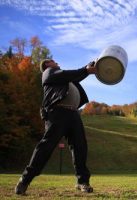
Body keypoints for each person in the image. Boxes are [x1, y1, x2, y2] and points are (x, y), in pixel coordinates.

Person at [15, 59, 97, 195]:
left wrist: (89, 66)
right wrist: (86, 70)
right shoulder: (48, 73)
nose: (57, 62)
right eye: (53, 61)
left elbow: (75, 75)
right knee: (46, 147)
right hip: (57, 113)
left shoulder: (63, 77)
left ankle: (82, 182)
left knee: (80, 147)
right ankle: (24, 180)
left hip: (73, 114)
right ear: (47, 65)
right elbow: (68, 74)